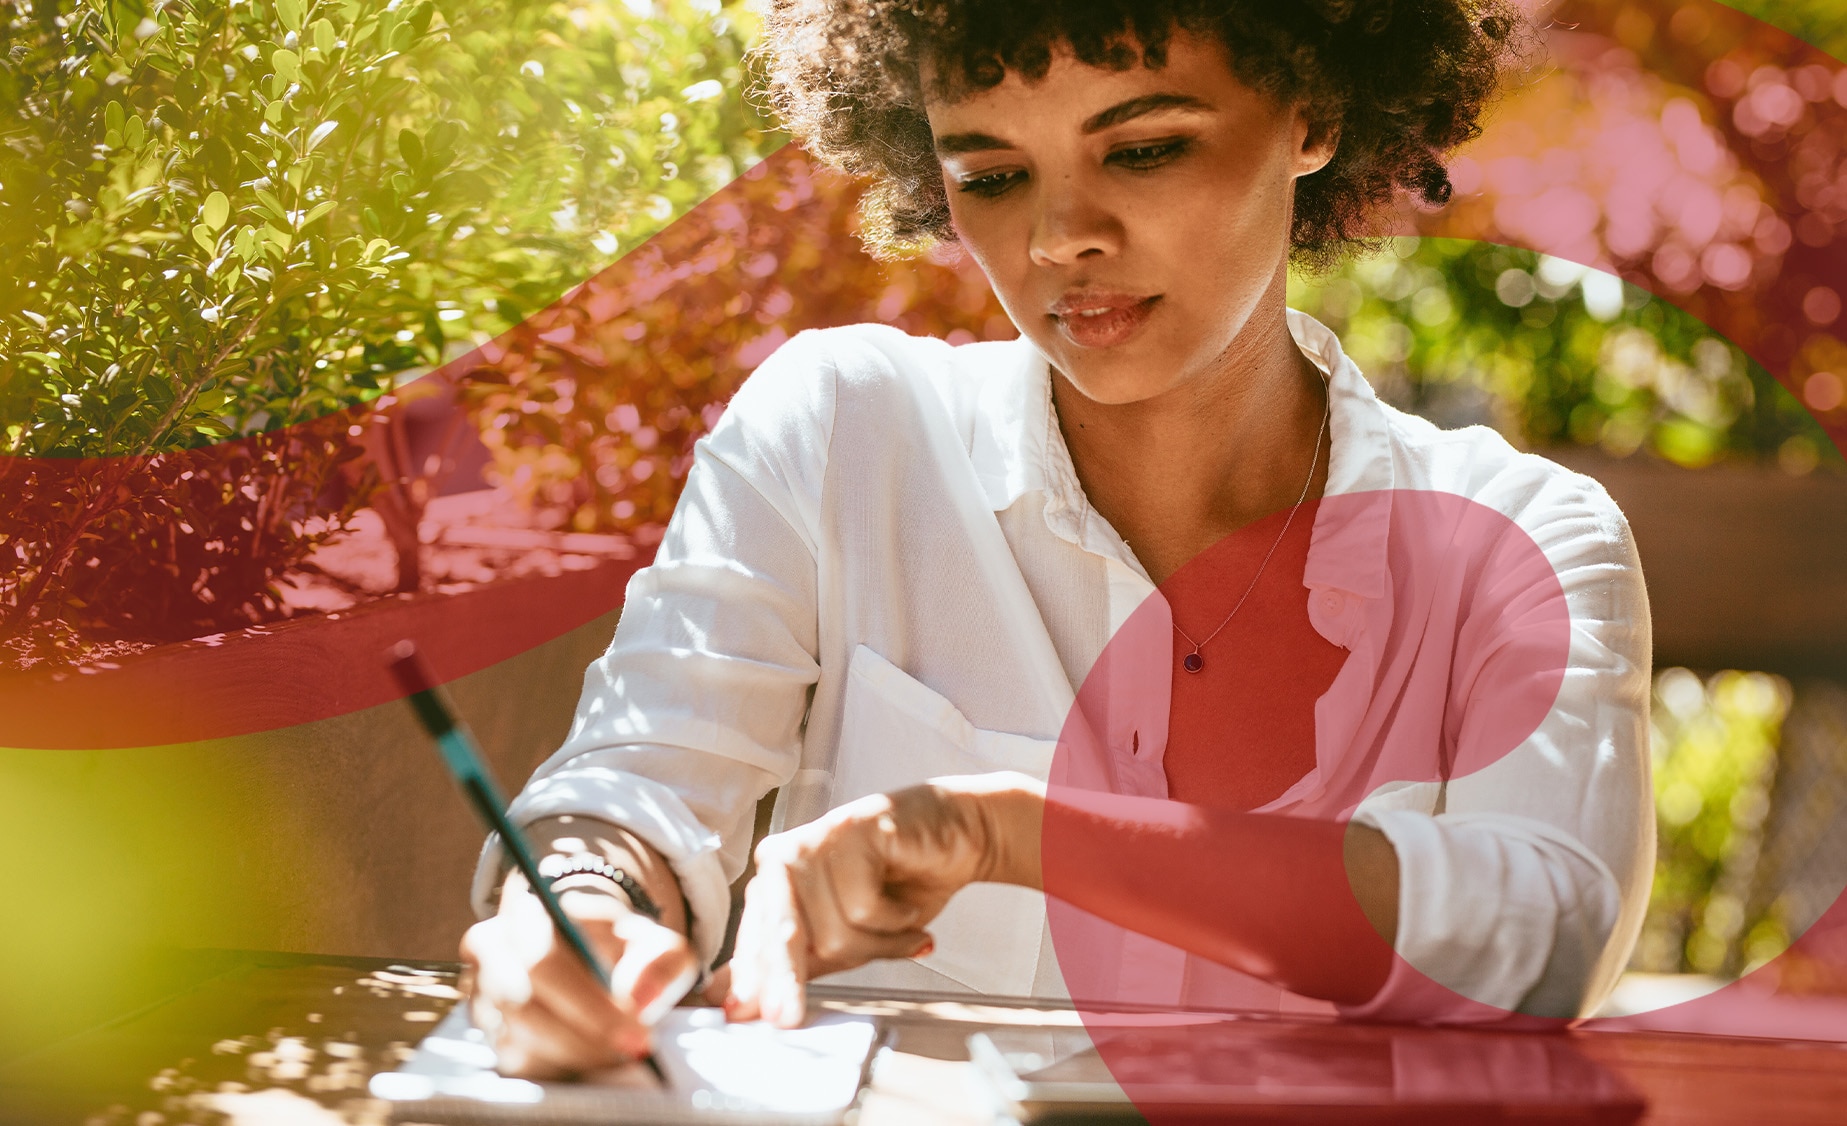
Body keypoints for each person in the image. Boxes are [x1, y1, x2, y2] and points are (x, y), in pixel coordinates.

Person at [459, 0, 1655, 1079]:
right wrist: (569, 904)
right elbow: (633, 784)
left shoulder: (1519, 539)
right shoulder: (841, 431)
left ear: (1314, 113)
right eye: (989, 174)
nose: (1056, 239)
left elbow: (1542, 934)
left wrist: (1010, 833)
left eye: (1141, 149)